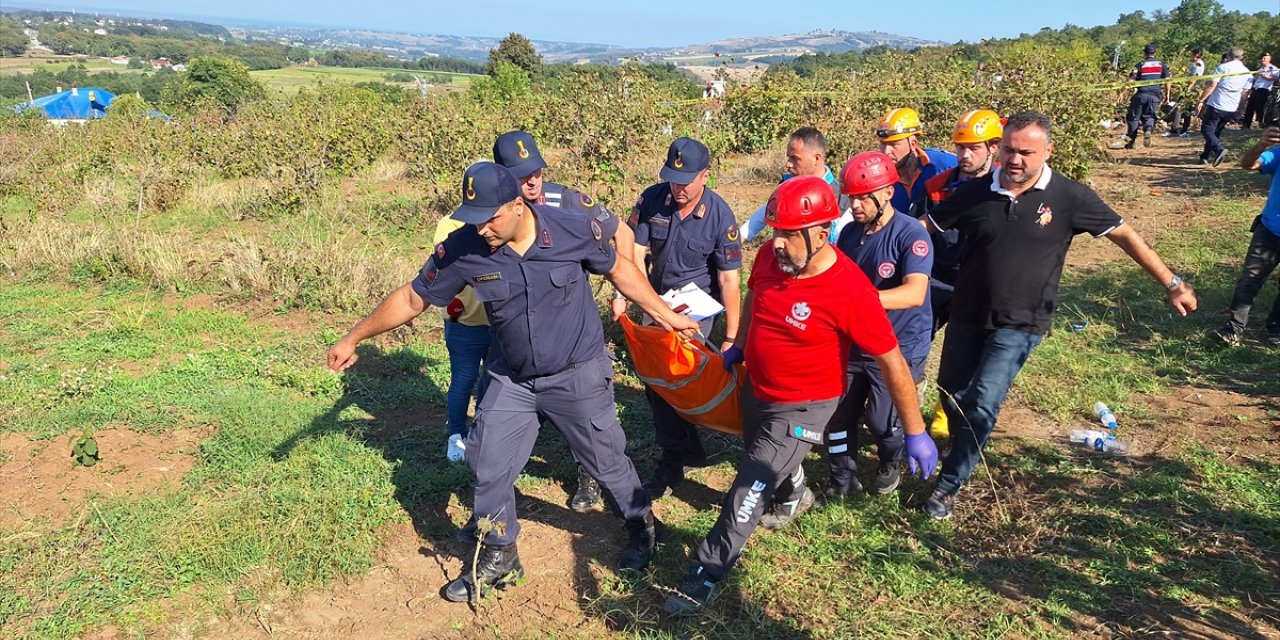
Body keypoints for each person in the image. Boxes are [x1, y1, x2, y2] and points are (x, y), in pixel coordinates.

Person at [327, 162, 699, 602]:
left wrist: (665, 315)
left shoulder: (571, 228)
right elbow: (413, 297)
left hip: (576, 371)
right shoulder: (464, 247)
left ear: (518, 204)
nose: (482, 227)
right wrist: (354, 336)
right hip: (513, 377)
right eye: (474, 217)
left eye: (491, 217)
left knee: (606, 462)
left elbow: (619, 269)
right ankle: (500, 553)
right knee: (487, 462)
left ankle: (641, 525)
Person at [662, 176, 938, 615]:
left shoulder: (851, 291)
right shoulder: (775, 261)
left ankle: (705, 572)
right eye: (774, 230)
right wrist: (739, 342)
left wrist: (916, 429)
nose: (777, 243)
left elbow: (893, 362)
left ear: (821, 233)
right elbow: (755, 296)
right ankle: (794, 491)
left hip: (804, 406)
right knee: (760, 456)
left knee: (749, 484)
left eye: (789, 234)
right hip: (759, 389)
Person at [921, 111, 1198, 521]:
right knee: (953, 394)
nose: (1015, 160)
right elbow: (920, 229)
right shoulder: (975, 193)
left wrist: (1171, 282)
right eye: (1009, 150)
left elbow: (1123, 234)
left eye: (1026, 152)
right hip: (967, 314)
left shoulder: (1069, 197)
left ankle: (948, 485)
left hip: (1022, 320)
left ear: (1048, 151)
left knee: (982, 402)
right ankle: (967, 445)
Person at [492, 129, 637, 513]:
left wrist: (620, 292)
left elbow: (622, 232)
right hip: (518, 332)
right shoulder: (493, 216)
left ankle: (590, 475)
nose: (533, 181)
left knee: (586, 412)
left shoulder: (570, 200)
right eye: (522, 176)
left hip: (570, 320)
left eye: (536, 170)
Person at [623, 137, 743, 499]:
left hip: (696, 311)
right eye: (673, 179)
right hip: (656, 303)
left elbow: (729, 279)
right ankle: (679, 453)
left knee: (680, 378)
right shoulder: (653, 199)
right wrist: (625, 296)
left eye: (686, 180)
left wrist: (732, 336)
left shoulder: (720, 215)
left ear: (705, 175)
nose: (678, 188)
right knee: (656, 383)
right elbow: (635, 251)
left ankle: (676, 454)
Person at [823, 151, 934, 500]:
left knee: (883, 422)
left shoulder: (911, 234)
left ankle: (890, 459)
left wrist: (861, 300)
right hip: (856, 340)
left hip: (897, 345)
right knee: (838, 416)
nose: (854, 205)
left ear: (887, 193)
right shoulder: (849, 235)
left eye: (861, 197)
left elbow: (914, 293)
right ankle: (842, 478)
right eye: (850, 196)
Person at [909, 110, 1004, 440]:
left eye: (973, 148)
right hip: (936, 279)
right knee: (912, 344)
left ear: (993, 147)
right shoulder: (937, 186)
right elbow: (916, 234)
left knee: (964, 362)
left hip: (979, 286)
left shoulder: (1005, 188)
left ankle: (946, 415)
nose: (964, 155)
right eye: (960, 147)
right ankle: (905, 410)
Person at [1212, 126, 1280, 346]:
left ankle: (1276, 328)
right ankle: (1233, 328)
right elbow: (1248, 164)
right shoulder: (1278, 152)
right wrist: (1261, 145)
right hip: (1269, 231)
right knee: (1250, 280)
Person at [432, 215, 491, 463]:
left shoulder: (501, 221)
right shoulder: (450, 225)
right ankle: (456, 434)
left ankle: (484, 434)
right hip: (465, 322)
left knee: (494, 382)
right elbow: (441, 266)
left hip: (500, 322)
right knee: (464, 381)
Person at [737, 126, 854, 242]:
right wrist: (737, 239)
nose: (788, 164)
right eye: (789, 157)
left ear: (816, 159)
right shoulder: (787, 186)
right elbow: (766, 213)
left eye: (794, 158)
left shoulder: (841, 201)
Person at [875, 107, 958, 214]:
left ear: (913, 144)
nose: (886, 151)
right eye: (883, 144)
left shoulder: (945, 164)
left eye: (894, 144)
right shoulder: (878, 178)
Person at [1197, 47, 1252, 167]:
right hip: (1231, 107)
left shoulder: (1223, 67)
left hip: (1217, 104)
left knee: (1206, 129)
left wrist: (1201, 100)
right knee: (1215, 132)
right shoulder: (1247, 72)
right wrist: (1241, 108)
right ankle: (1205, 157)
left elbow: (1212, 85)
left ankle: (1218, 149)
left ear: (1228, 55)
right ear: (1242, 57)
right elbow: (1245, 93)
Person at [1123, 44, 1170, 149]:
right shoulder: (1162, 64)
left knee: (1134, 117)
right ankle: (1148, 129)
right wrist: (1167, 94)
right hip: (1155, 96)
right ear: (1155, 53)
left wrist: (1123, 93)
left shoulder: (1140, 64)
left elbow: (1130, 81)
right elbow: (1168, 80)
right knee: (1149, 116)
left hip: (1141, 95)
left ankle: (1130, 142)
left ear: (1144, 53)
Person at [1165, 48, 1206, 138]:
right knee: (1187, 110)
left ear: (1196, 55)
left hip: (1189, 90)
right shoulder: (1197, 64)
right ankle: (1184, 130)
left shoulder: (1197, 65)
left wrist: (1186, 90)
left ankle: (1175, 129)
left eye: (1191, 55)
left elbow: (1194, 79)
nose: (1189, 56)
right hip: (1191, 90)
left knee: (1179, 108)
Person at [1242, 53, 1278, 130]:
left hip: (1263, 89)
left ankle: (1259, 122)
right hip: (1255, 89)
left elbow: (1277, 77)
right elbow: (1255, 79)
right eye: (1262, 58)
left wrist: (1268, 77)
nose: (1262, 60)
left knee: (1259, 106)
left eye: (1264, 58)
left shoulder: (1272, 68)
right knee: (1250, 106)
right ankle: (1246, 124)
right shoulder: (1260, 69)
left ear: (1269, 59)